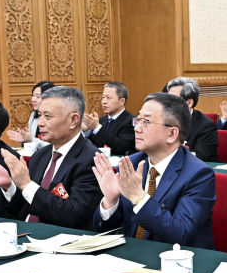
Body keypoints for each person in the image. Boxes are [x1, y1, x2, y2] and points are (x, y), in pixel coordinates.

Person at [92, 93, 216, 247]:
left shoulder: (198, 174)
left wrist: (139, 197)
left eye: (146, 122)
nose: (137, 128)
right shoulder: (132, 163)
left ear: (171, 134)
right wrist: (111, 201)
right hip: (131, 254)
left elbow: (181, 234)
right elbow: (103, 230)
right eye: (137, 120)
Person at [0, 86, 100, 228]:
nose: (40, 123)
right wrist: (9, 186)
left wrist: (26, 184)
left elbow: (73, 215)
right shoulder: (40, 156)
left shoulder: (92, 160)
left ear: (73, 120)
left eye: (48, 116)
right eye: (39, 115)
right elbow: (25, 206)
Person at [166, 77, 218, 161]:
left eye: (173, 99)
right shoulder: (162, 119)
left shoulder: (206, 126)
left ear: (189, 103)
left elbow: (200, 157)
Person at [83, 81, 135, 156]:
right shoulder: (101, 120)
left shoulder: (131, 121)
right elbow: (92, 145)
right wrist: (86, 131)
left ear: (122, 101)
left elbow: (121, 146)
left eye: (108, 98)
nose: (104, 102)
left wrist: (97, 128)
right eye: (102, 97)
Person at [8, 80, 55, 148]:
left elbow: (54, 146)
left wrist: (31, 139)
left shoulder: (56, 118)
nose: (33, 99)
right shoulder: (33, 115)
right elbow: (31, 141)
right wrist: (25, 140)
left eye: (38, 96)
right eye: (33, 95)